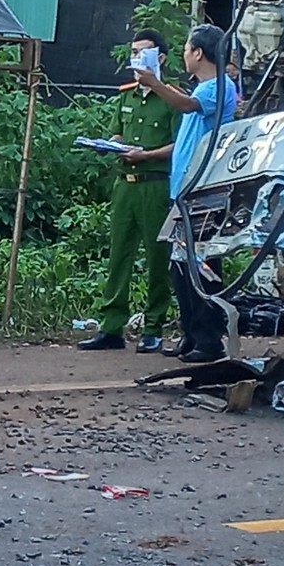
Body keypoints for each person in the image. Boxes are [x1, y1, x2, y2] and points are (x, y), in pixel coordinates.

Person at [133, 23, 240, 364]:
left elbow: (188, 105)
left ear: (198, 53)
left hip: (204, 191)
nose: (184, 55)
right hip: (186, 191)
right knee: (181, 267)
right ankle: (192, 334)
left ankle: (209, 340)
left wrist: (154, 83)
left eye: (187, 49)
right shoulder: (203, 87)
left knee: (201, 266)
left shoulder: (219, 86)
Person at [78, 29, 176, 354]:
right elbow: (117, 131)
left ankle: (153, 327)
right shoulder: (127, 95)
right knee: (118, 254)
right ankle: (111, 327)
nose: (137, 59)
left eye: (144, 52)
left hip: (155, 186)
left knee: (157, 257)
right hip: (125, 185)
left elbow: (181, 145)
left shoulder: (172, 98)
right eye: (133, 53)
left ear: (160, 58)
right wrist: (111, 144)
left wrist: (146, 155)